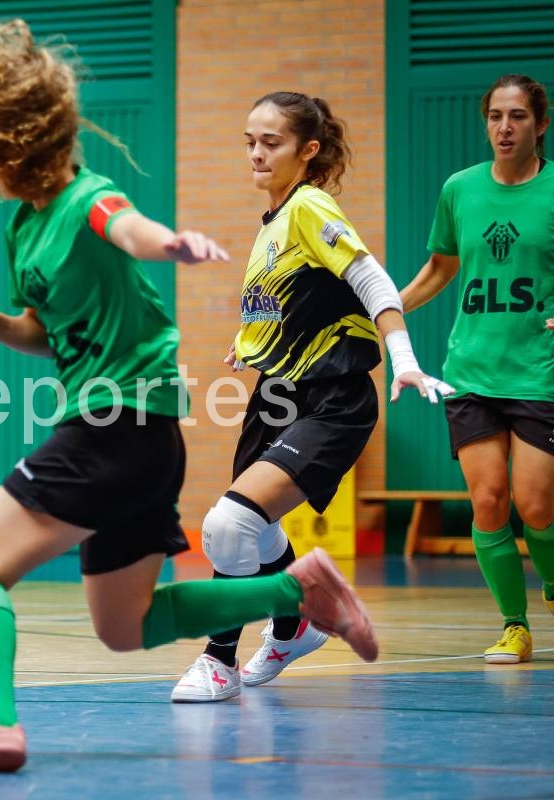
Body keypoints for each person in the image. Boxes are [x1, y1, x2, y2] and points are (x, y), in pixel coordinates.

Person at [0, 21, 379, 773]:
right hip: (144, 445)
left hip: (110, 430)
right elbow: (44, 333)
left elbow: (126, 228)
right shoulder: (25, 228)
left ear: (7, 142)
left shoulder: (86, 195)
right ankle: (299, 589)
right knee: (128, 626)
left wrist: (171, 243)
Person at [169, 92, 452, 703]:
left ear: (309, 151)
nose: (256, 152)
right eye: (250, 140)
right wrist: (249, 343)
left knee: (228, 523)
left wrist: (403, 358)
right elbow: (292, 305)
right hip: (276, 395)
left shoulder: (309, 207)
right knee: (250, 532)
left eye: (271, 142)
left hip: (332, 398)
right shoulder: (272, 225)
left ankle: (220, 662)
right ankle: (292, 625)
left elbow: (370, 276)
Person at [400, 74, 554, 664]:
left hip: (538, 372)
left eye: (517, 116)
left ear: (540, 124)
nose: (505, 127)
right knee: (488, 500)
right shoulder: (459, 189)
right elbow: (439, 269)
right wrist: (383, 311)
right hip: (470, 369)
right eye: (495, 116)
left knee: (536, 505)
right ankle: (515, 625)